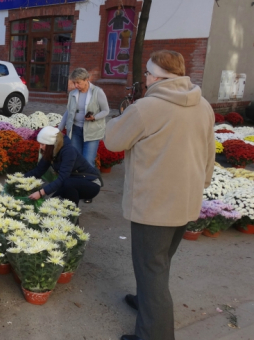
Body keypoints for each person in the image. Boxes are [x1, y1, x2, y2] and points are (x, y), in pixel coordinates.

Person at [104, 50, 215, 340]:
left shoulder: (146, 107)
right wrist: (202, 183)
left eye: (147, 74)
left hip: (153, 205)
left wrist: (118, 119)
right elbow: (209, 151)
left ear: (156, 76)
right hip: (186, 200)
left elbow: (113, 140)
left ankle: (154, 334)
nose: (146, 79)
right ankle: (146, 302)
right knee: (160, 262)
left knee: (151, 268)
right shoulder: (202, 104)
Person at [58, 68, 110, 203]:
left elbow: (106, 110)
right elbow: (68, 111)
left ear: (87, 80)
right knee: (75, 161)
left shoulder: (97, 92)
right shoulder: (73, 93)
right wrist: (60, 128)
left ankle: (90, 190)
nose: (76, 86)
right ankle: (76, 188)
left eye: (78, 83)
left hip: (92, 132)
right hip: (75, 130)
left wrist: (94, 117)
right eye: (74, 83)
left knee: (88, 161)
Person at [24, 126, 101, 207]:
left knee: (67, 184)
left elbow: (63, 178)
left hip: (91, 183)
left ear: (51, 144)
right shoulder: (50, 151)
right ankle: (67, 213)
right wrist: (19, 179)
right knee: (51, 202)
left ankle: (71, 214)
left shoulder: (68, 151)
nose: (40, 147)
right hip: (71, 181)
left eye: (42, 144)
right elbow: (38, 171)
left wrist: (40, 193)